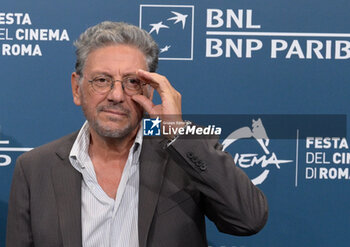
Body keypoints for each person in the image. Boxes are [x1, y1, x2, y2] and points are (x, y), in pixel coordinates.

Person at [6, 21, 268, 247]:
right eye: (102, 80)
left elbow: (249, 220)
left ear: (150, 91)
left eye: (133, 82)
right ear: (77, 88)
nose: (117, 96)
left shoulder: (185, 154)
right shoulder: (34, 169)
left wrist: (177, 131)